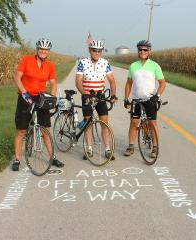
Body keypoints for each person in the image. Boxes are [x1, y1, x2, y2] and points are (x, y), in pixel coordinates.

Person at [12, 38, 64, 171]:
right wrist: (24, 93)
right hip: (26, 97)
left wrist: (52, 98)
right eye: (41, 49)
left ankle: (53, 157)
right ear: (37, 49)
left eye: (46, 50)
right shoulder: (26, 60)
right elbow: (17, 77)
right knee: (21, 130)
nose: (43, 51)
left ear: (48, 51)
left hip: (41, 98)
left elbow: (53, 82)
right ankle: (17, 159)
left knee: (45, 130)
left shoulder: (50, 66)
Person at [75, 40, 118, 160]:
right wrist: (84, 94)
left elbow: (112, 81)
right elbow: (78, 81)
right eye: (94, 50)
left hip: (100, 97)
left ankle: (107, 149)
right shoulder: (82, 62)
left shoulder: (105, 63)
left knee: (104, 123)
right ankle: (89, 149)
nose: (97, 53)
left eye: (99, 51)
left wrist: (113, 95)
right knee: (88, 123)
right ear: (90, 50)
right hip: (87, 97)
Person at [123, 40, 166, 158]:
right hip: (136, 99)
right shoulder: (133, 66)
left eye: (145, 50)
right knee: (134, 122)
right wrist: (126, 98)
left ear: (149, 52)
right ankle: (131, 146)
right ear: (138, 51)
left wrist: (156, 96)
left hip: (150, 100)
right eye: (140, 49)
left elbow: (162, 83)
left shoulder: (155, 65)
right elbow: (128, 83)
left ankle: (155, 147)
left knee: (152, 123)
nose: (143, 52)